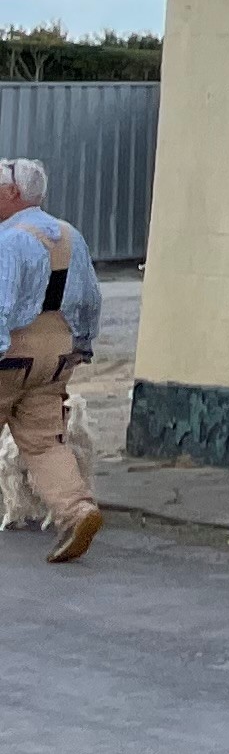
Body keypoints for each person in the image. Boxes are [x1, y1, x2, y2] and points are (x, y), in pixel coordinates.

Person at [0, 160, 103, 564]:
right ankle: (78, 510)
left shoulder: (8, 242)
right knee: (44, 443)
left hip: (10, 355)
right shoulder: (69, 235)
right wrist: (82, 346)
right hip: (55, 356)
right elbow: (90, 298)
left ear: (13, 194)